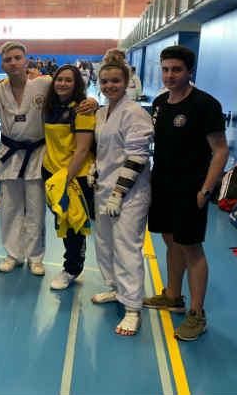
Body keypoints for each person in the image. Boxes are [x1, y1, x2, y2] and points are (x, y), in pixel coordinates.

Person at [144, 45, 229, 341]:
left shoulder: (205, 104)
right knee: (170, 241)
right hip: (162, 183)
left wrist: (206, 188)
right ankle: (173, 296)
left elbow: (220, 150)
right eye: (165, 69)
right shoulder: (159, 103)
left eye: (176, 70)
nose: (170, 75)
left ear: (189, 71)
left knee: (191, 248)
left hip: (191, 188)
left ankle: (197, 313)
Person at [92, 59, 153, 336]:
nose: (109, 86)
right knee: (105, 243)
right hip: (103, 188)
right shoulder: (102, 112)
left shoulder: (134, 113)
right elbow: (105, 149)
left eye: (115, 81)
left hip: (129, 194)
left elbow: (137, 156)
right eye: (105, 81)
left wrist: (118, 193)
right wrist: (94, 169)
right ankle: (116, 289)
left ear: (126, 82)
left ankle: (132, 307)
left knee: (126, 247)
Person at [0, 42, 50, 275]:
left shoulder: (44, 84)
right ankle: (13, 254)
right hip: (9, 155)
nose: (13, 63)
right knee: (10, 208)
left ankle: (35, 257)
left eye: (17, 58)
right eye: (8, 59)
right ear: (2, 64)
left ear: (26, 61)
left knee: (36, 209)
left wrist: (92, 102)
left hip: (37, 154)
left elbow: (71, 92)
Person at [42, 65, 95, 290]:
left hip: (74, 176)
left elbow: (82, 150)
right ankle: (71, 265)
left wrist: (66, 178)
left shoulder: (82, 110)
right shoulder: (50, 107)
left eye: (68, 80)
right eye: (59, 79)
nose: (62, 84)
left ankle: (72, 268)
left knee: (74, 225)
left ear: (77, 84)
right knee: (62, 221)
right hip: (52, 173)